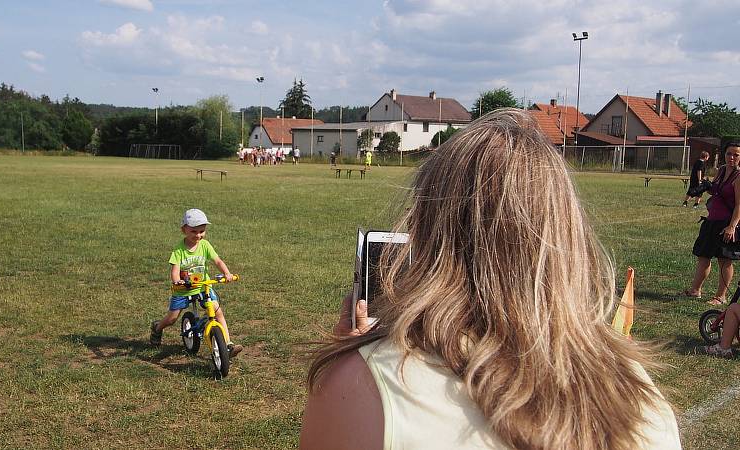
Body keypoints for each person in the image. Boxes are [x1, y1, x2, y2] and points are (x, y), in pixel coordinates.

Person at [301, 109, 680, 450]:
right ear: (567, 234)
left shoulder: (367, 387)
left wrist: (354, 365)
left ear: (426, 228)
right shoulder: (640, 393)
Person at [150, 208, 243, 357]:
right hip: (183, 289)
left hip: (202, 286)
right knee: (172, 318)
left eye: (202, 231)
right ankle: (157, 327)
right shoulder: (179, 250)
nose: (198, 235)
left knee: (217, 311)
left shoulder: (205, 245)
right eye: (194, 231)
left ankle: (228, 344)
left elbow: (217, 260)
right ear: (184, 230)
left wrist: (227, 273)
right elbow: (175, 270)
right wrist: (177, 281)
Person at [684, 143, 740, 305]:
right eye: (729, 154)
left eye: (736, 155)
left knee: (724, 260)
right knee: (704, 255)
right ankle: (695, 290)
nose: (732, 158)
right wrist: (706, 187)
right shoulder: (722, 170)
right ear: (725, 154)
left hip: (727, 223)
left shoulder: (738, 177)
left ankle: (721, 296)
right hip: (712, 220)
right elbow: (715, 191)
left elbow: (738, 205)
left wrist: (732, 227)